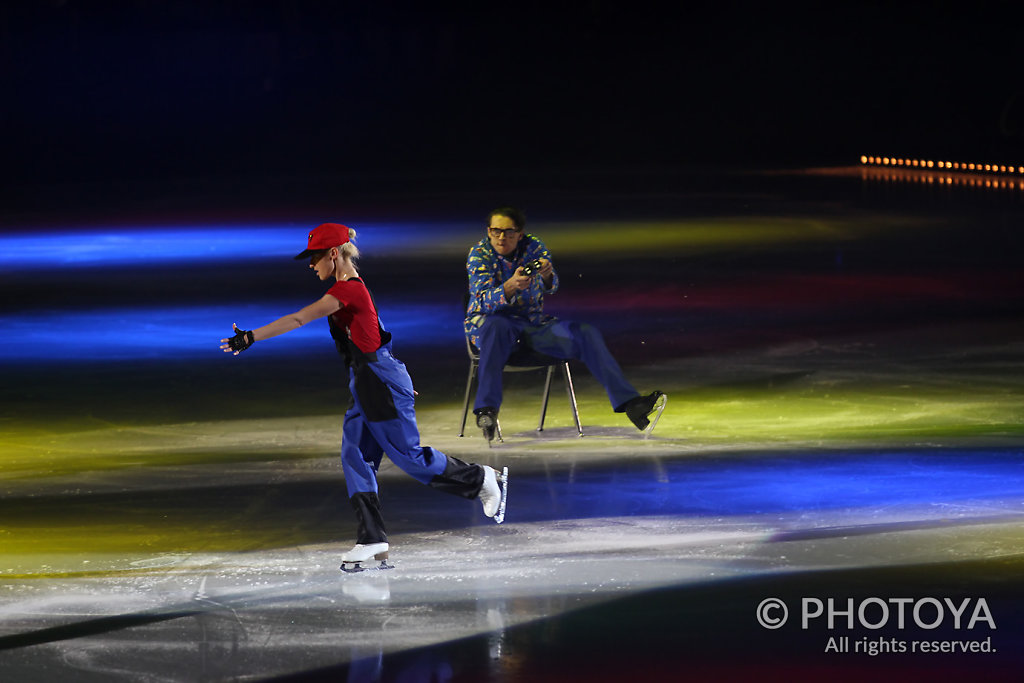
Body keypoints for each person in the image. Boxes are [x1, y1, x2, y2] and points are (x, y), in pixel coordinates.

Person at [221, 222, 507, 571]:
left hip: (377, 383)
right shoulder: (350, 289)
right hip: (366, 384)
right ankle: (372, 538)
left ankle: (482, 479)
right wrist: (395, 376)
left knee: (409, 457)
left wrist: (250, 337)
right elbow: (377, 333)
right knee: (354, 455)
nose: (311, 265)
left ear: (332, 254)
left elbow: (298, 319)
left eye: (313, 258)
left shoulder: (349, 291)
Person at [465, 207, 666, 442]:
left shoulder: (534, 247)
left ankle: (631, 404)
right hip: (492, 327)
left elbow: (553, 286)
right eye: (495, 231)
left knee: (584, 333)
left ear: (520, 233)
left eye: (508, 232)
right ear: (488, 231)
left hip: (531, 325)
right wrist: (510, 286)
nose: (501, 238)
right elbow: (481, 300)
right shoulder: (479, 254)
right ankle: (486, 411)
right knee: (495, 327)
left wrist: (548, 274)